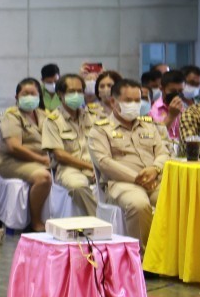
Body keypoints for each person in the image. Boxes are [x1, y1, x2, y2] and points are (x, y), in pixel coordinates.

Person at [88, 78, 168, 250]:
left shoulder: (149, 126)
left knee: (174, 199)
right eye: (128, 101)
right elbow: (104, 163)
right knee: (138, 204)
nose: (134, 105)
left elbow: (163, 153)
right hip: (121, 183)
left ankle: (168, 253)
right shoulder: (100, 129)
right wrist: (138, 178)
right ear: (113, 102)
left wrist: (155, 169)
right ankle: (142, 256)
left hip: (153, 180)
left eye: (137, 100)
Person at [0, 77, 52, 232]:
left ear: (39, 96)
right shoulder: (12, 116)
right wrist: (42, 159)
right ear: (17, 97)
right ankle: (36, 221)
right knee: (44, 178)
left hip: (42, 160)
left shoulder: (44, 115)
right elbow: (14, 147)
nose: (29, 97)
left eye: (33, 94)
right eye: (25, 94)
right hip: (13, 162)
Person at [41, 74, 96, 216]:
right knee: (78, 187)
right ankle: (101, 220)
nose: (77, 95)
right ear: (60, 94)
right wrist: (90, 167)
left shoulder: (92, 116)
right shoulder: (53, 121)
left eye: (80, 91)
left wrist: (99, 168)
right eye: (72, 91)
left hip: (96, 166)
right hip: (69, 169)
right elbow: (60, 155)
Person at [150, 69, 188, 141]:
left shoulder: (186, 108)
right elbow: (155, 136)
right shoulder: (153, 110)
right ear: (161, 88)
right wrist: (171, 116)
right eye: (173, 91)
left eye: (180, 91)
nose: (177, 94)